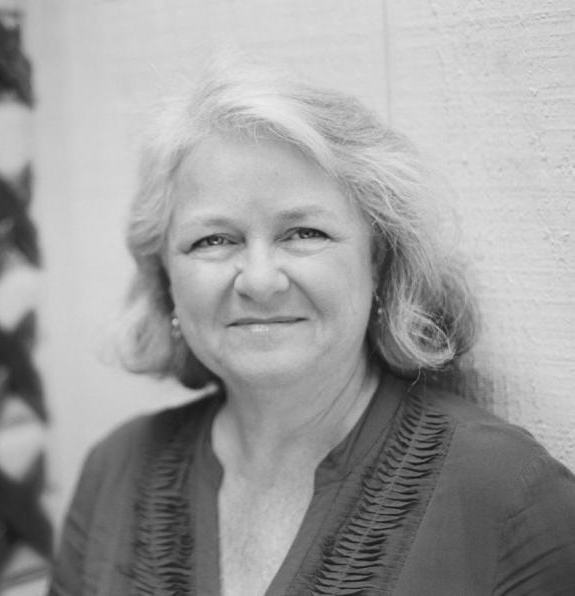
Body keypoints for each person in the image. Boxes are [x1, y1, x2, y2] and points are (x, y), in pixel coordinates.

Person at [49, 57, 575, 596]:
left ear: (378, 260)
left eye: (304, 232)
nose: (259, 281)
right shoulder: (115, 471)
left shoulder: (505, 493)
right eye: (214, 240)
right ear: (165, 279)